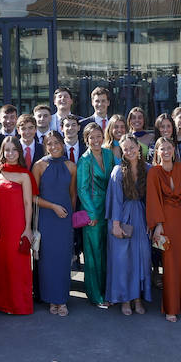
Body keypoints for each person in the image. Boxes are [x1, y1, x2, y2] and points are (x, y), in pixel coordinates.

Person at [147, 136, 181, 322]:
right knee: (169, 265)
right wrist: (158, 225)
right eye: (162, 148)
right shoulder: (154, 172)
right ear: (157, 152)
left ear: (174, 150)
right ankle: (171, 308)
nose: (166, 151)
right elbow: (153, 200)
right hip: (165, 224)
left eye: (169, 148)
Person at [107, 135, 154, 315]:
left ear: (138, 147)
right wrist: (116, 225)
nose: (129, 151)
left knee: (141, 259)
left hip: (141, 218)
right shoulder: (118, 171)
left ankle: (138, 298)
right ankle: (125, 299)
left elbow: (152, 199)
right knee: (123, 261)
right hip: (123, 217)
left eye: (132, 147)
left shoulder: (148, 169)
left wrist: (152, 222)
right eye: (125, 149)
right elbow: (115, 201)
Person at [0, 135, 35, 316]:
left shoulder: (25, 174)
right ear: (2, 152)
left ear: (19, 152)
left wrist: (27, 228)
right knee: (0, 264)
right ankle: (0, 303)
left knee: (17, 265)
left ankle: (19, 304)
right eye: (7, 150)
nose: (10, 153)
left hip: (17, 226)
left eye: (14, 150)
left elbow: (28, 204)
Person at [33, 131, 77, 316]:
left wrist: (68, 215)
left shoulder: (71, 166)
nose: (53, 146)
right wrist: (53, 207)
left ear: (63, 143)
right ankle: (51, 300)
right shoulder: (39, 166)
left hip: (64, 220)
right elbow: (33, 197)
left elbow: (73, 194)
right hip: (46, 218)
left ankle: (62, 300)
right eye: (49, 143)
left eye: (56, 142)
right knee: (47, 260)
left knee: (63, 260)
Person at [77, 121, 116, 309]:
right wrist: (91, 213)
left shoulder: (109, 155)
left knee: (107, 252)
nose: (95, 140)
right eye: (91, 137)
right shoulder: (84, 160)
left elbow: (119, 174)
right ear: (86, 140)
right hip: (92, 210)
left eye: (98, 136)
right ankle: (96, 295)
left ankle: (108, 291)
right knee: (93, 253)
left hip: (110, 208)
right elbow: (82, 189)